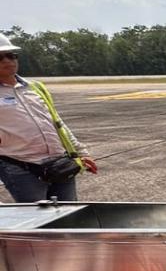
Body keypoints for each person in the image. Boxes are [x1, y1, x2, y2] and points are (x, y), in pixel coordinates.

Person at [0, 34, 97, 202]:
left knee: (69, 217)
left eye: (11, 55)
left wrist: (80, 152)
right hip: (22, 167)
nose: (7, 60)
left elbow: (57, 123)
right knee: (38, 222)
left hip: (59, 163)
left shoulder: (35, 87)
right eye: (0, 57)